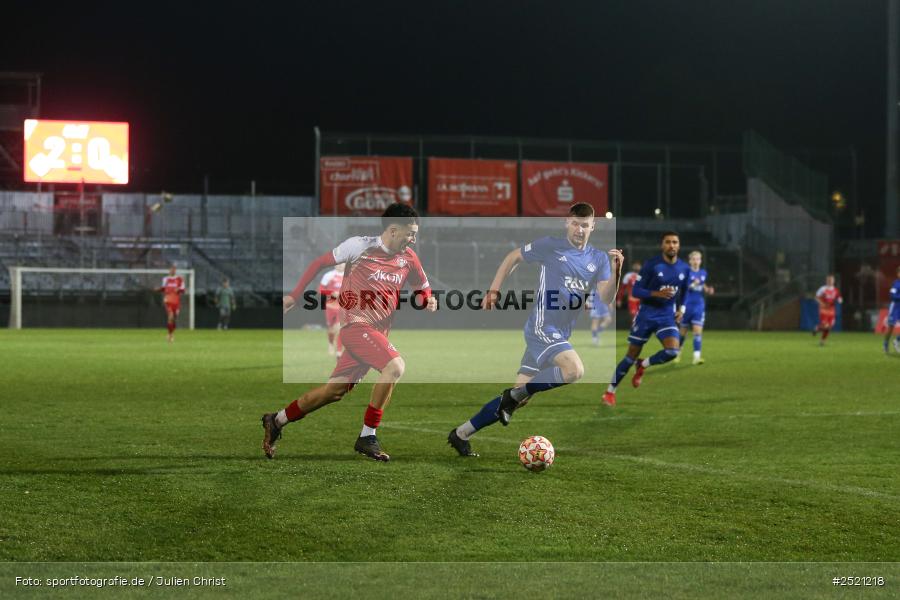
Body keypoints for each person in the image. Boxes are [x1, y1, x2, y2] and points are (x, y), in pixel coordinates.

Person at [262, 203, 437, 462]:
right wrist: (294, 295)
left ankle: (276, 420)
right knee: (395, 367)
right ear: (392, 230)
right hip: (356, 327)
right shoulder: (360, 246)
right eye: (410, 233)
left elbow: (422, 289)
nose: (413, 238)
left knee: (333, 392)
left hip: (377, 333)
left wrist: (427, 301)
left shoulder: (409, 258)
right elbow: (319, 263)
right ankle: (367, 436)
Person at [448, 203, 623, 457]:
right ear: (567, 223)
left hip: (560, 334)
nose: (579, 229)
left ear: (593, 227)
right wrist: (494, 290)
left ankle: (461, 433)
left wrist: (617, 271)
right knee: (574, 370)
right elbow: (513, 257)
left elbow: (606, 298)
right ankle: (513, 396)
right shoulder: (551, 246)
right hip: (542, 327)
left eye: (585, 225)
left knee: (520, 397)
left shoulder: (597, 259)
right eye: (575, 223)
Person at [603, 232, 689, 407]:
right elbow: (636, 291)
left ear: (679, 245)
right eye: (668, 242)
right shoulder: (652, 265)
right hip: (646, 315)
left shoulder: (684, 268)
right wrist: (657, 293)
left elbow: (685, 291)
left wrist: (681, 309)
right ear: (662, 245)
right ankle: (610, 392)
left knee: (673, 351)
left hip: (666, 316)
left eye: (675, 242)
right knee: (630, 356)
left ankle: (643, 364)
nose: (671, 245)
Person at [675, 251, 714, 365]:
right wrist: (692, 285)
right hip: (686, 306)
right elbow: (683, 287)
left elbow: (701, 282)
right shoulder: (686, 272)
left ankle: (696, 357)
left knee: (697, 332)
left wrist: (707, 289)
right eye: (694, 259)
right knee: (682, 333)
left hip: (698, 306)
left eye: (698, 259)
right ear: (690, 261)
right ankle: (677, 353)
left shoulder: (703, 272)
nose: (696, 261)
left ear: (701, 261)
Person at [318, 263, 346, 356]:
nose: (341, 266)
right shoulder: (328, 275)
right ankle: (330, 343)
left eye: (343, 264)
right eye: (339, 264)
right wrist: (332, 293)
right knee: (331, 329)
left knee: (340, 327)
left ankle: (339, 350)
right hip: (330, 305)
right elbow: (320, 289)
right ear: (335, 265)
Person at [813, 274, 842, 347]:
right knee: (826, 326)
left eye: (832, 280)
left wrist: (840, 300)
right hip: (823, 310)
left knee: (829, 327)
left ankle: (819, 332)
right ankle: (819, 331)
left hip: (832, 311)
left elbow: (838, 297)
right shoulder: (822, 289)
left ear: (833, 281)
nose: (830, 281)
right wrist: (821, 303)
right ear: (826, 281)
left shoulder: (835, 290)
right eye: (829, 280)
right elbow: (816, 298)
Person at [159, 265, 185, 343]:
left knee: (173, 319)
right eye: (171, 269)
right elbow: (163, 289)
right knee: (170, 317)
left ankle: (171, 333)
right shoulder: (165, 279)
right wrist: (158, 290)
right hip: (168, 301)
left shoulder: (180, 279)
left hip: (176, 301)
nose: (172, 271)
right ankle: (170, 336)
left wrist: (179, 290)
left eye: (174, 269)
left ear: (175, 270)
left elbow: (183, 290)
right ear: (169, 270)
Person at [883, 266, 900, 353]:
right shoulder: (896, 283)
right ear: (898, 274)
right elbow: (892, 295)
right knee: (890, 327)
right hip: (895, 307)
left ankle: (897, 341)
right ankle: (886, 343)